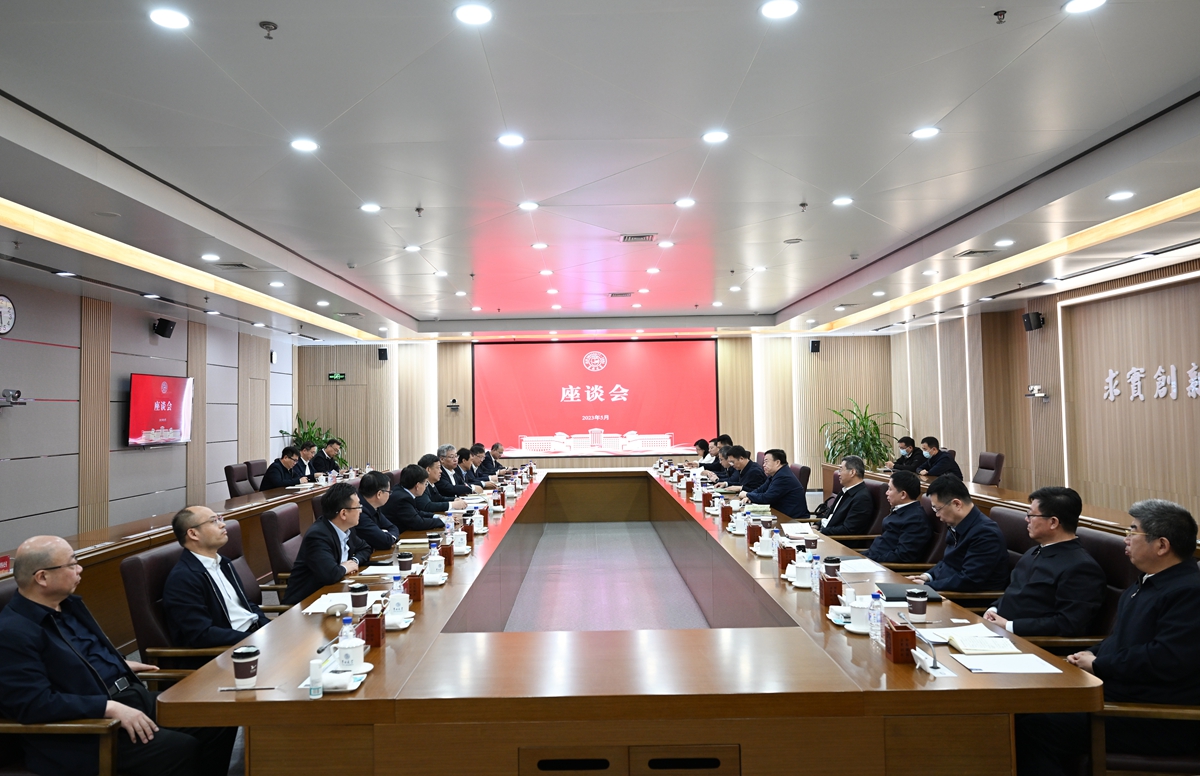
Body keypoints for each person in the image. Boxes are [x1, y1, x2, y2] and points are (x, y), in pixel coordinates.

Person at [0, 535, 235, 776]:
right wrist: (106, 707)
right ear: (42, 577)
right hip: (84, 730)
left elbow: (79, 654)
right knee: (179, 749)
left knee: (218, 715)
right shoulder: (12, 631)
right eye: (71, 564)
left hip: (128, 697)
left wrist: (115, 663)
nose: (80, 569)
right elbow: (33, 703)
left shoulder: (68, 605)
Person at [1016, 500, 1200, 775]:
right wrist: (1089, 654)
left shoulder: (1188, 593)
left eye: (1133, 531)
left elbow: (1165, 658)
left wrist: (1099, 664)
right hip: (1121, 695)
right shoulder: (1146, 582)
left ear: (1162, 545)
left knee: (1036, 729)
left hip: (1158, 716)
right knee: (1021, 709)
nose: (1126, 538)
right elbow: (1121, 639)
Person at [983, 486, 1105, 636]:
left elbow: (1068, 624)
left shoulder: (1081, 568)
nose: (1026, 519)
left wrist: (1009, 626)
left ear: (1053, 522)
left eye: (1031, 515)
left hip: (1029, 642)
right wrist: (993, 610)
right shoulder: (1033, 551)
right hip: (998, 631)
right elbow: (1013, 593)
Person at [162, 506, 269, 649]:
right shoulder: (183, 579)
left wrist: (269, 628)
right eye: (213, 521)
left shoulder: (224, 563)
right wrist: (255, 639)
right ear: (193, 533)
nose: (222, 524)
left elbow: (247, 604)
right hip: (230, 649)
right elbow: (202, 634)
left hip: (253, 635)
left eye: (220, 518)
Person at [907, 475, 1008, 592]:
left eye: (938, 509)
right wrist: (927, 576)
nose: (937, 515)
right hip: (946, 590)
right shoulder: (957, 524)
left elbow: (968, 580)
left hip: (966, 598)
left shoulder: (986, 534)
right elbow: (947, 562)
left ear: (957, 504)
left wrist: (927, 586)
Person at [281, 483, 373, 606]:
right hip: (306, 604)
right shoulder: (318, 536)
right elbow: (330, 574)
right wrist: (345, 568)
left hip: (333, 593)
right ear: (343, 513)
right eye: (358, 507)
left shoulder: (346, 528)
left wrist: (354, 561)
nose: (361, 511)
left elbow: (365, 548)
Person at [865, 470, 932, 563]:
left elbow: (903, 556)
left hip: (882, 565)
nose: (886, 493)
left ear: (903, 494)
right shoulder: (902, 510)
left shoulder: (916, 520)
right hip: (872, 557)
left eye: (890, 489)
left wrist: (870, 560)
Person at [387, 465, 454, 533]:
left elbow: (417, 513)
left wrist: (438, 516)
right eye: (425, 484)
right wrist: (444, 521)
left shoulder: (401, 490)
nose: (425, 487)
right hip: (400, 535)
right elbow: (418, 523)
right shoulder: (402, 499)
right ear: (417, 485)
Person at [744, 449, 809, 518]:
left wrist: (748, 494)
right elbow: (761, 489)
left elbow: (766, 498)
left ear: (777, 462)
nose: (763, 465)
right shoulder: (776, 474)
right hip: (780, 514)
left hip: (791, 520)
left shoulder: (783, 477)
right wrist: (749, 496)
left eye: (766, 462)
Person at [820, 456, 875, 536]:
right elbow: (830, 516)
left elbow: (849, 530)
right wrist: (817, 525)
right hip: (826, 533)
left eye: (841, 470)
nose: (838, 474)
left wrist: (821, 531)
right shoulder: (845, 491)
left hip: (837, 540)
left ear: (852, 472)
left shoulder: (862, 498)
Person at [402, 453, 467, 516]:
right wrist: (452, 505)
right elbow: (427, 506)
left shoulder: (431, 483)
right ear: (428, 470)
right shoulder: (420, 484)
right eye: (438, 468)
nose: (441, 471)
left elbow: (439, 498)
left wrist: (455, 499)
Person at [355, 471, 400, 550]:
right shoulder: (359, 512)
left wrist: (388, 535)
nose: (389, 495)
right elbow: (385, 542)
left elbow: (393, 527)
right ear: (379, 494)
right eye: (389, 492)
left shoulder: (374, 506)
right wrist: (388, 536)